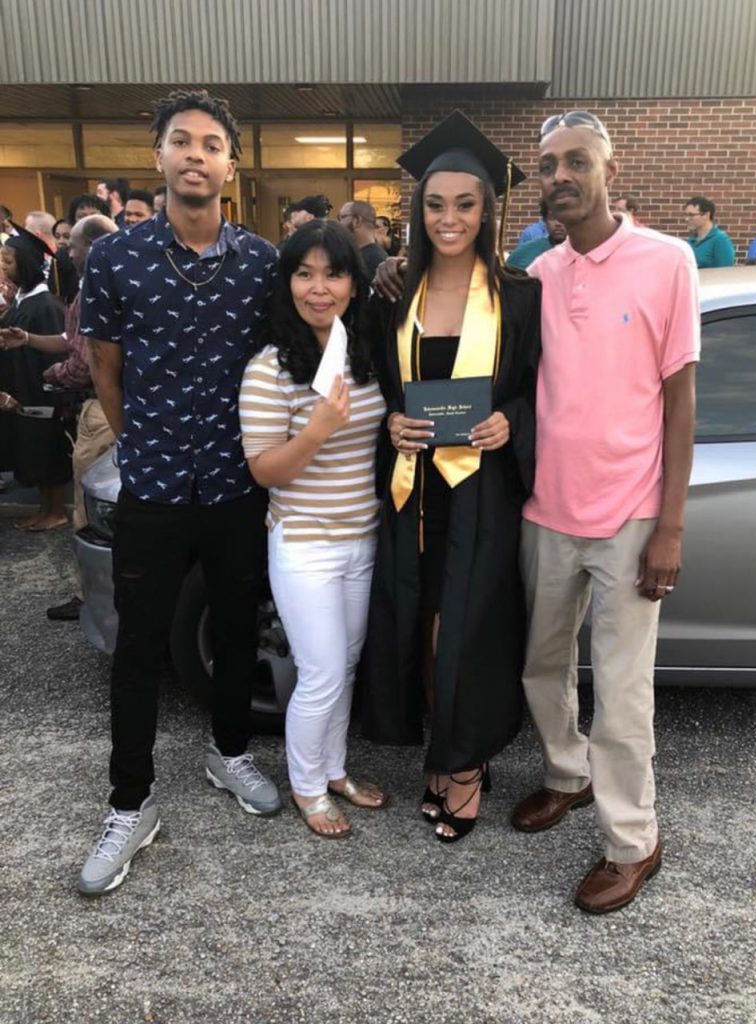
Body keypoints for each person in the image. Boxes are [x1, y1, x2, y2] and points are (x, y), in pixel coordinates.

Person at [76, 88, 281, 895]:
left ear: (232, 164)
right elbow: (104, 365)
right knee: (138, 647)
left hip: (236, 484)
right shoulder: (116, 259)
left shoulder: (262, 264)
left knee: (237, 629)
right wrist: (142, 445)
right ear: (158, 157)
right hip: (155, 488)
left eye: (211, 145)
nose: (196, 155)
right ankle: (131, 803)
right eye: (181, 142)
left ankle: (229, 755)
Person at [511, 110, 699, 913]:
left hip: (629, 515)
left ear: (608, 169)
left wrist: (671, 525)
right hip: (545, 509)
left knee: (623, 691)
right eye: (549, 163)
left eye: (576, 160)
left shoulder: (668, 261)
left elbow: (681, 402)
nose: (561, 174)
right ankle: (566, 774)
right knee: (543, 665)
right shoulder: (538, 272)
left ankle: (634, 841)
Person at [362, 110, 541, 844]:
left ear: (489, 210)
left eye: (466, 204)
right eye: (436, 204)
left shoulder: (519, 294)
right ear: (418, 210)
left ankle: (464, 764)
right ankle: (443, 751)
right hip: (413, 492)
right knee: (420, 626)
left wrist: (511, 424)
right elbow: (381, 389)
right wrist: (391, 426)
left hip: (480, 493)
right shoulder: (391, 294)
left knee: (467, 628)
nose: (449, 218)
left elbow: (536, 389)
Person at [239, 220, 388, 838]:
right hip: (305, 543)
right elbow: (265, 468)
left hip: (364, 537)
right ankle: (305, 785)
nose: (318, 288)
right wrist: (319, 428)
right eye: (304, 273)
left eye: (334, 272)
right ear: (288, 281)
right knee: (321, 671)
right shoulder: (270, 368)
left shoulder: (364, 352)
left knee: (346, 666)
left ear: (354, 283)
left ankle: (332, 768)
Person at [0, 214, 119, 619]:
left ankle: (94, 600)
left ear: (95, 246)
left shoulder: (101, 289)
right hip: (94, 408)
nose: (66, 251)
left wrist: (49, 375)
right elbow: (72, 343)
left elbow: (85, 365)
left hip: (102, 411)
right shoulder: (87, 288)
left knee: (91, 514)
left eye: (73, 244)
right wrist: (29, 340)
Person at [0, 226, 70, 530]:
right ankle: (44, 509)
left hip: (42, 396)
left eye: (8, 261)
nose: (3, 267)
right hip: (22, 392)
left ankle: (55, 511)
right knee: (32, 454)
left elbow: (57, 354)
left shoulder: (45, 306)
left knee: (47, 455)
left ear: (27, 264)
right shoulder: (22, 302)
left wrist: (55, 397)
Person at [506, 199, 567, 269]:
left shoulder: (580, 252)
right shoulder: (525, 253)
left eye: (563, 217)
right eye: (552, 218)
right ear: (545, 220)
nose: (558, 223)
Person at [337, 200, 388, 281]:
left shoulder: (372, 261)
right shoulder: (366, 256)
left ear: (357, 221)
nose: (339, 223)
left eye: (342, 217)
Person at [683, 196, 735, 268]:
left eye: (691, 215)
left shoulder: (720, 240)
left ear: (706, 215)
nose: (687, 219)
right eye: (686, 215)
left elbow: (725, 273)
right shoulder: (691, 240)